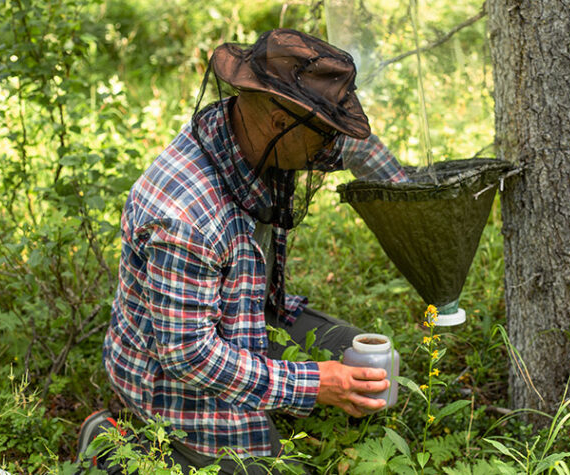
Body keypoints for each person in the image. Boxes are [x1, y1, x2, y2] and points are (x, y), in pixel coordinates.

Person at [76, 28, 408, 474]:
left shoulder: (254, 132)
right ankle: (114, 448)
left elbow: (351, 144)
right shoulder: (184, 216)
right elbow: (189, 357)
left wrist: (411, 197)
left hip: (242, 319)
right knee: (279, 467)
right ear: (279, 121)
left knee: (363, 361)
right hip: (172, 379)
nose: (330, 148)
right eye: (324, 135)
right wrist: (312, 385)